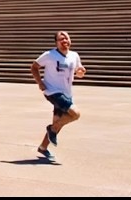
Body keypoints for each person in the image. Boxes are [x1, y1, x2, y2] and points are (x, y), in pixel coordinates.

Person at [32, 30, 86, 162]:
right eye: (61, 39)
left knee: (58, 121)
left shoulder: (74, 55)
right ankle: (52, 129)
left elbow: (78, 72)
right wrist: (40, 82)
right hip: (53, 92)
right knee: (75, 114)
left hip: (67, 92)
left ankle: (43, 147)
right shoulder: (49, 55)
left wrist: (81, 72)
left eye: (67, 38)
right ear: (56, 42)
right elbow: (34, 66)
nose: (65, 41)